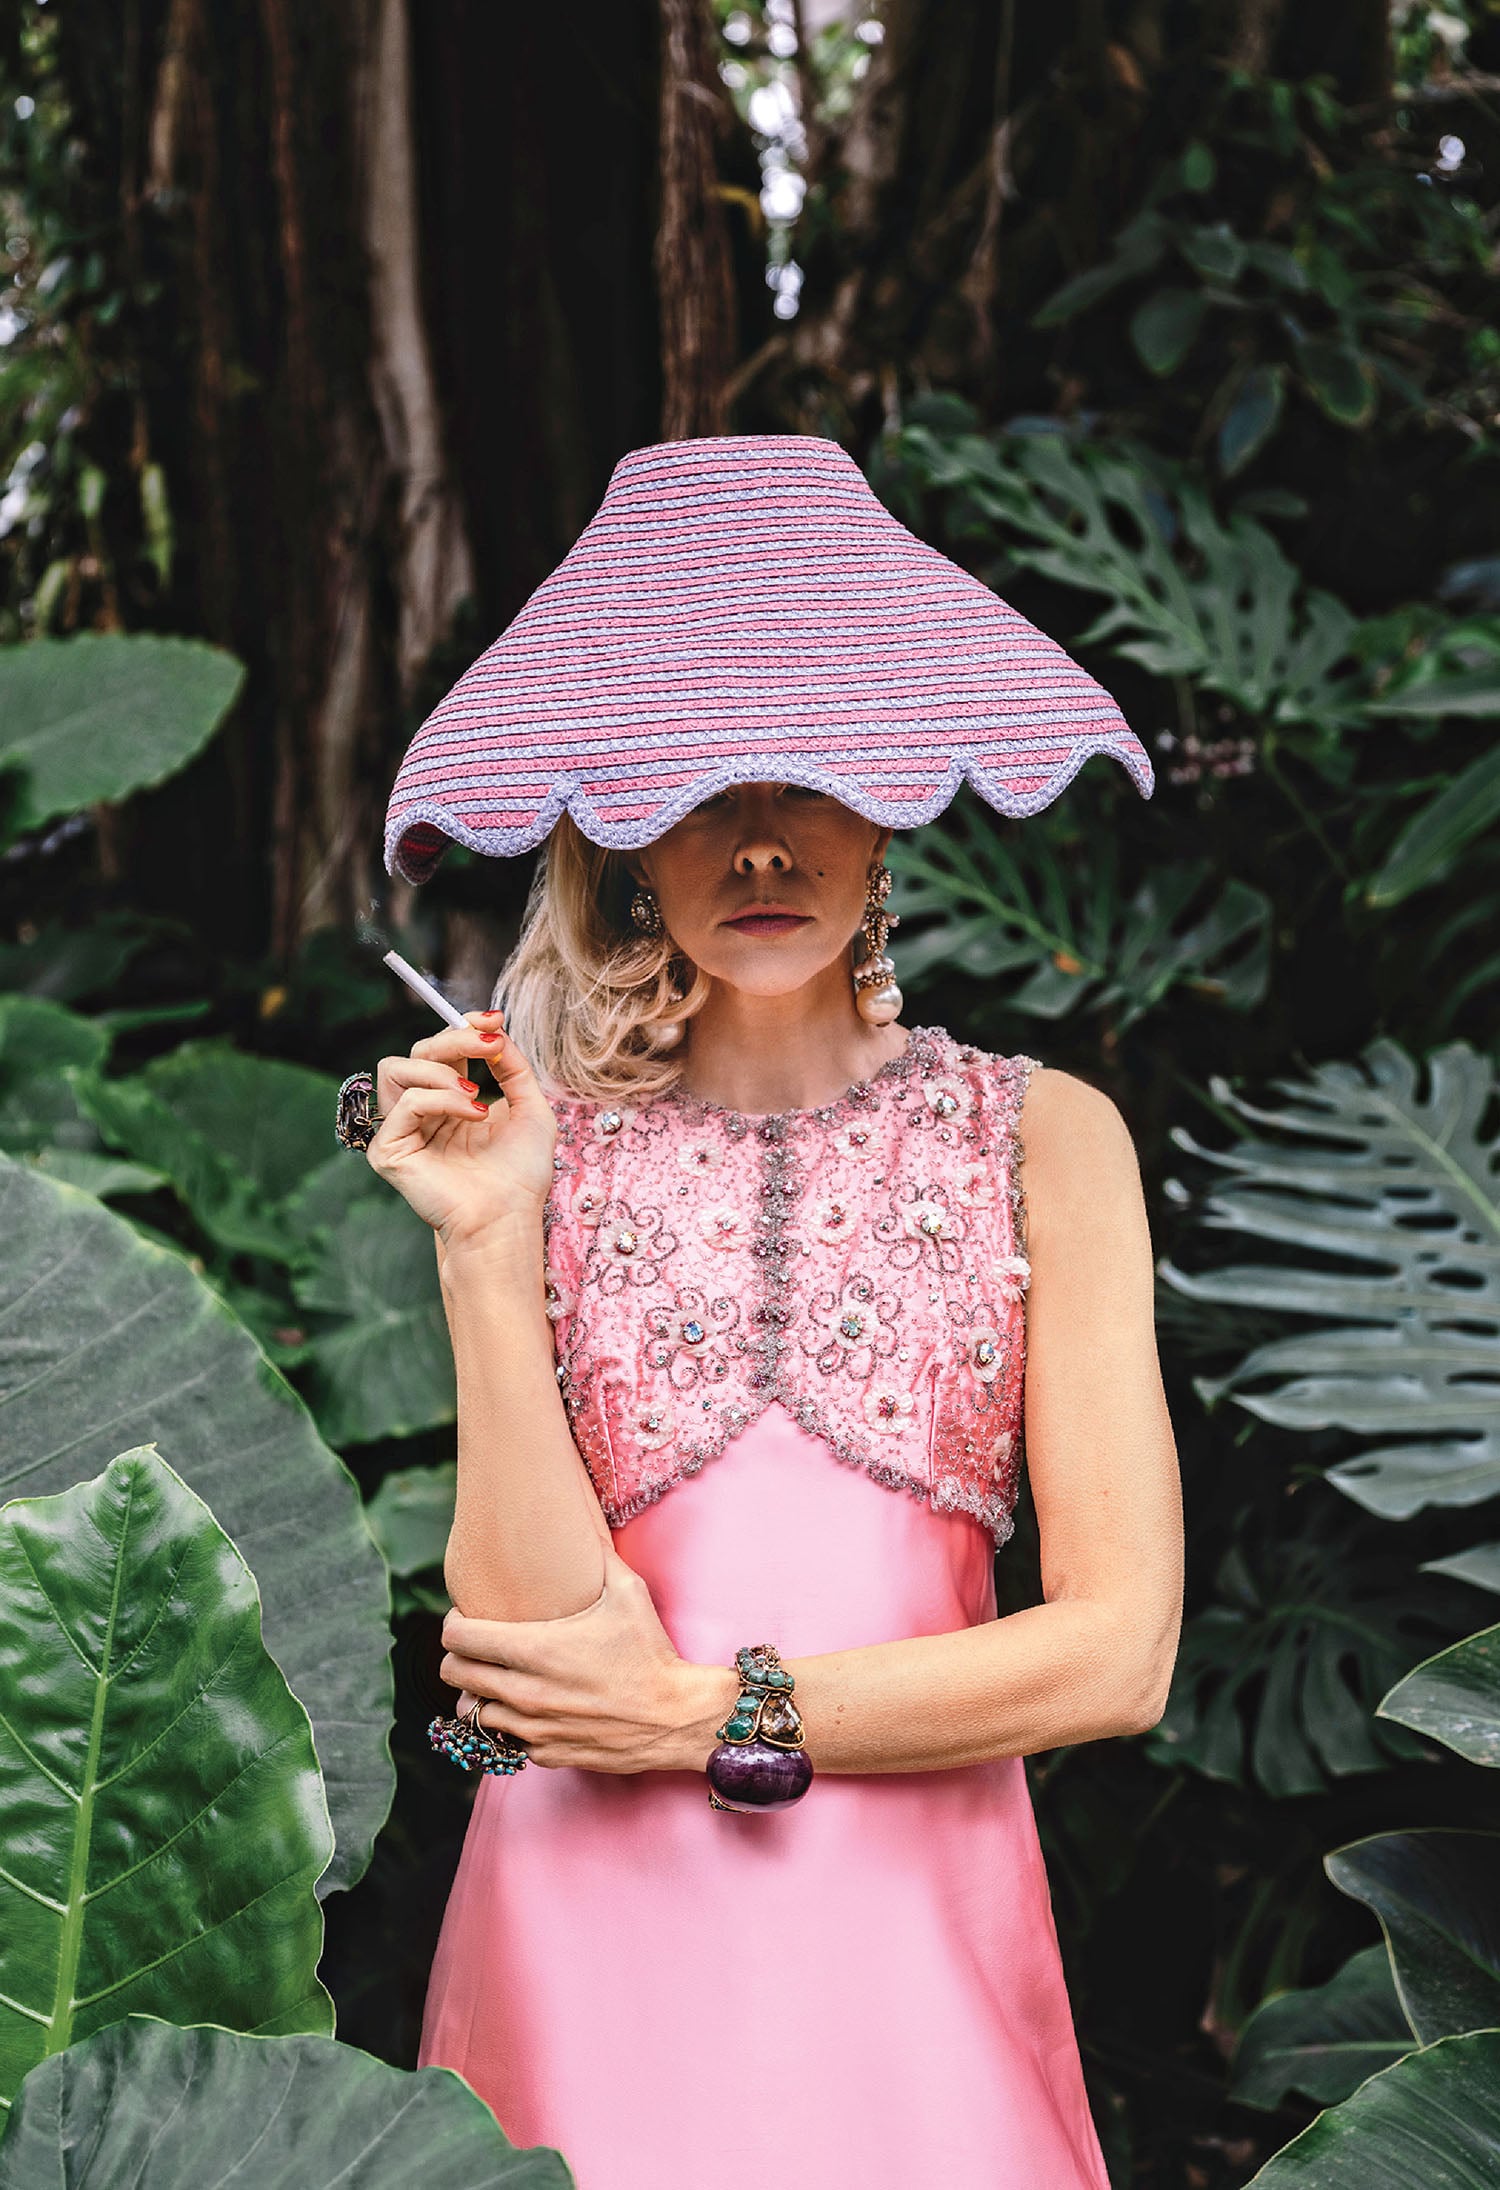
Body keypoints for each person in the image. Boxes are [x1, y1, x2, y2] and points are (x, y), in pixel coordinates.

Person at [365, 435, 1184, 2188]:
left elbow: (1119, 1654)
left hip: (915, 1958)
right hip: (580, 1944)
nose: (759, 840)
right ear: (620, 830)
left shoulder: (1047, 1139)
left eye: (811, 772)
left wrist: (703, 1716)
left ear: (887, 801)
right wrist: (481, 1243)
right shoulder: (543, 1157)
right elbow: (518, 1649)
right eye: (697, 784)